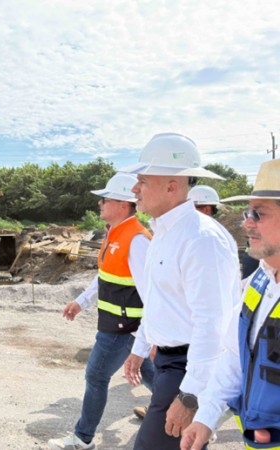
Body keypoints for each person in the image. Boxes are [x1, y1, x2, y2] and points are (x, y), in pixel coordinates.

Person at [121, 132, 241, 450]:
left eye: (142, 181)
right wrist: (140, 347)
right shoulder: (165, 232)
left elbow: (212, 323)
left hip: (189, 367)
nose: (134, 189)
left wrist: (190, 395)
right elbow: (159, 301)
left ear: (172, 187)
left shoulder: (201, 240)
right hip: (169, 363)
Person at [48, 173, 155, 450]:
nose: (100, 204)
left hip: (123, 328)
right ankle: (189, 415)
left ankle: (82, 438)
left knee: (96, 376)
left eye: (105, 199)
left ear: (123, 204)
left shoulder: (137, 240)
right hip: (120, 325)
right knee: (150, 374)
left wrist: (146, 337)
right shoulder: (114, 233)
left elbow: (153, 296)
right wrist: (81, 302)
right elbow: (105, 275)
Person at [181, 159, 280, 450]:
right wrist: (206, 417)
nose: (246, 223)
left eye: (259, 214)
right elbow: (235, 355)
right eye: (249, 213)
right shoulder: (260, 281)